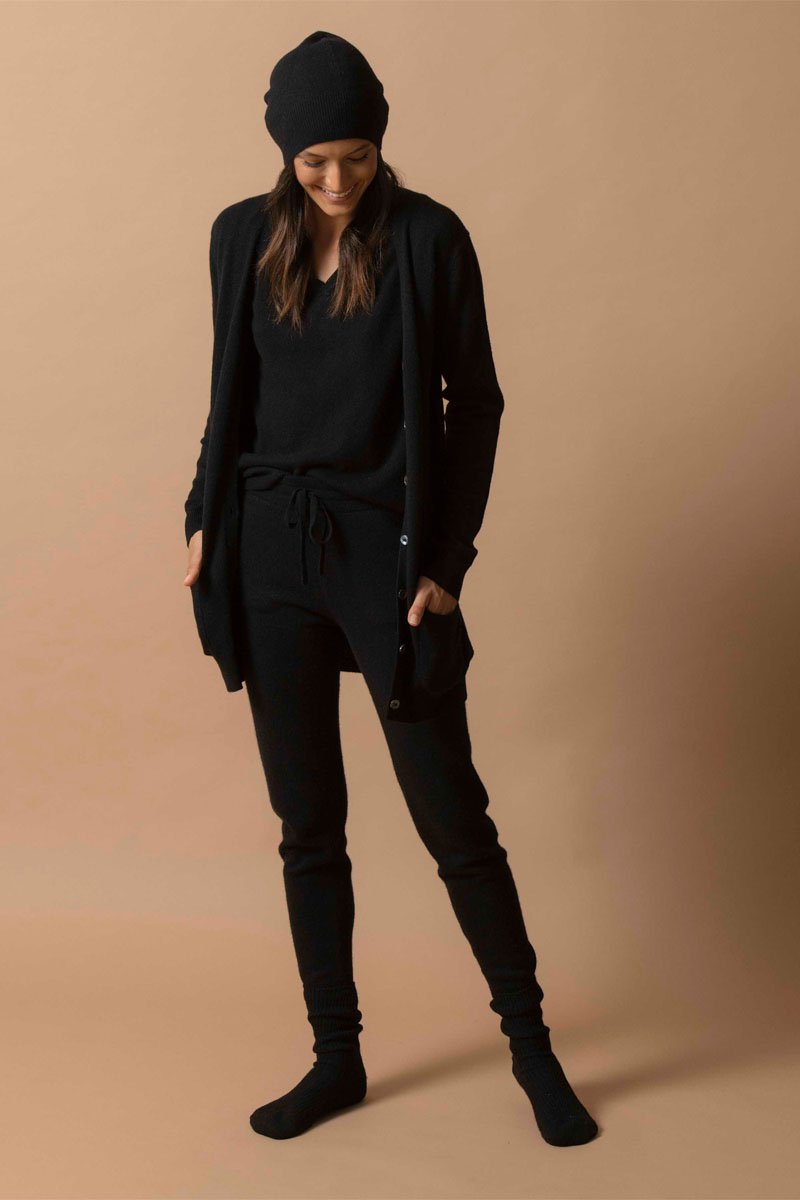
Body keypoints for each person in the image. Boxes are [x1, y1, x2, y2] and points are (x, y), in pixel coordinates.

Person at [182, 30, 598, 1147]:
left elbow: (478, 404)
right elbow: (228, 396)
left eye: (355, 157)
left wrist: (445, 562)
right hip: (267, 552)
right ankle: (336, 1058)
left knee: (451, 818)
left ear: (379, 144)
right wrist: (201, 516)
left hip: (384, 559)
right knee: (306, 825)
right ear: (284, 152)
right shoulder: (239, 236)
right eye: (314, 160)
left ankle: (532, 1052)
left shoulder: (427, 238)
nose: (335, 181)